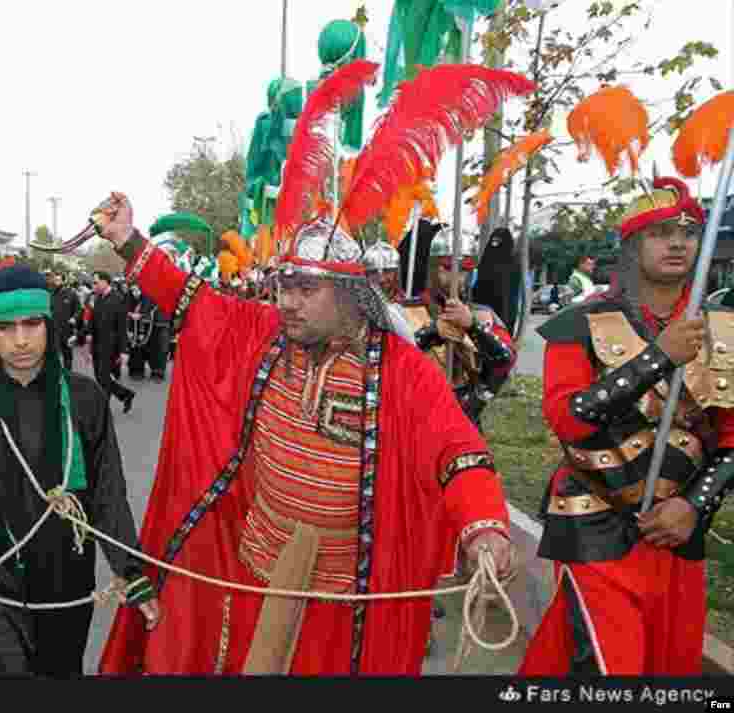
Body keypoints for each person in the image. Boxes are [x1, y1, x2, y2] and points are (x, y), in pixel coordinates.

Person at [97, 192, 516, 675]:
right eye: (283, 286)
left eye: (305, 289)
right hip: (254, 572)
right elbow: (187, 296)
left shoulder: (405, 372)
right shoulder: (259, 333)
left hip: (342, 599)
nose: (287, 302)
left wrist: (484, 526)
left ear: (349, 292)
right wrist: (127, 240)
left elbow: (459, 452)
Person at [517, 177, 730, 676]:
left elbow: (730, 437)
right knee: (608, 665)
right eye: (660, 232)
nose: (677, 243)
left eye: (688, 232)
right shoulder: (581, 322)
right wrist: (659, 358)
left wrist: (692, 506)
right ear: (632, 246)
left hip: (677, 530)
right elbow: (569, 420)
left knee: (668, 667)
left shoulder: (723, 329)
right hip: (595, 521)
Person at [0, 265, 158, 676]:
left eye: (32, 324)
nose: (20, 340)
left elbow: (107, 493)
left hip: (66, 581)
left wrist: (130, 569)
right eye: (5, 327)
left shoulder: (85, 398)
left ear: (49, 325)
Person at [401, 231, 516, 432]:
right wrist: (431, 332)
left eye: (463, 270)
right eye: (448, 268)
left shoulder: (482, 315)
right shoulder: (407, 310)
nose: (456, 277)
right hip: (417, 418)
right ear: (432, 268)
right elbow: (390, 360)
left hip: (465, 419)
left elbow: (505, 361)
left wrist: (472, 326)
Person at [84, 272, 134, 413]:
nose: (93, 285)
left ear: (105, 282)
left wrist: (124, 351)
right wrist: (82, 335)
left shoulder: (118, 299)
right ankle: (125, 394)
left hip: (111, 347)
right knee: (100, 377)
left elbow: (122, 327)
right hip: (97, 345)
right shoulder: (98, 298)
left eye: (96, 282)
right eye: (93, 283)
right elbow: (92, 321)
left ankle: (103, 410)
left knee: (104, 378)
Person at [47, 272, 80, 372]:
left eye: (58, 280)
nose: (56, 282)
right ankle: (55, 374)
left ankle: (68, 373)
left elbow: (79, 309)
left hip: (67, 329)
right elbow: (48, 309)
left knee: (67, 355)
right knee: (54, 354)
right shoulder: (51, 293)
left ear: (64, 281)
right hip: (54, 329)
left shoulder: (72, 293)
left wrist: (74, 318)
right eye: (55, 280)